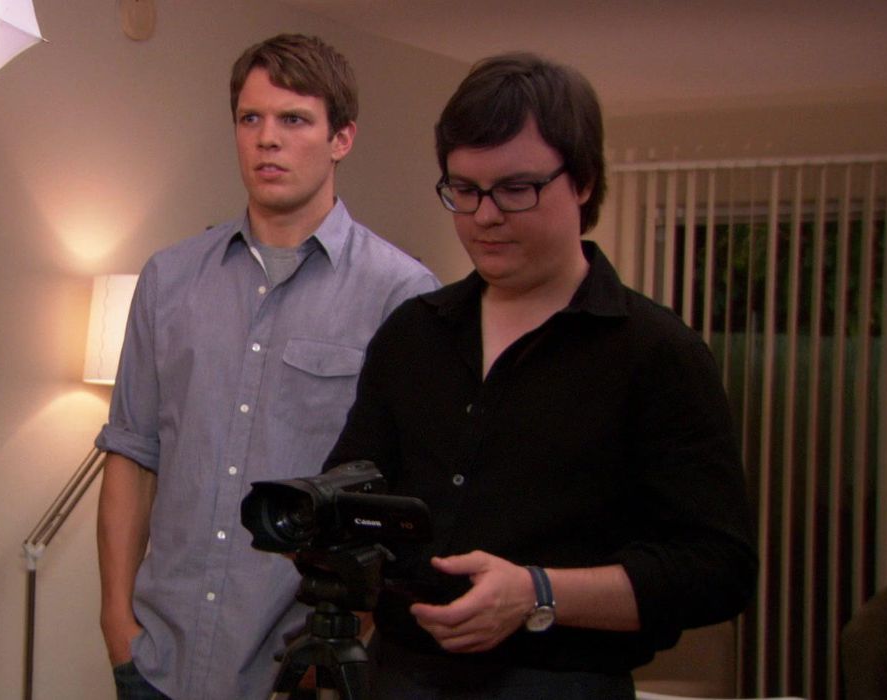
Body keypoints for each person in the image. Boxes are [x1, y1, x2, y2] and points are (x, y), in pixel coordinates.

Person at [322, 52, 757, 699]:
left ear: (581, 181)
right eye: (463, 190)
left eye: (516, 189)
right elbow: (355, 493)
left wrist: (538, 592)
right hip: (401, 675)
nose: (485, 216)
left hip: (563, 683)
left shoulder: (656, 351)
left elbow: (718, 568)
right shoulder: (413, 334)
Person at [95, 34, 439, 700]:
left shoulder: (400, 294)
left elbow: (402, 498)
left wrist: (351, 637)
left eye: (294, 120)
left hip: (300, 670)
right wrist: (117, 623)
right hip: (158, 662)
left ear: (341, 138)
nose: (267, 139)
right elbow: (132, 453)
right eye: (250, 119)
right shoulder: (170, 279)